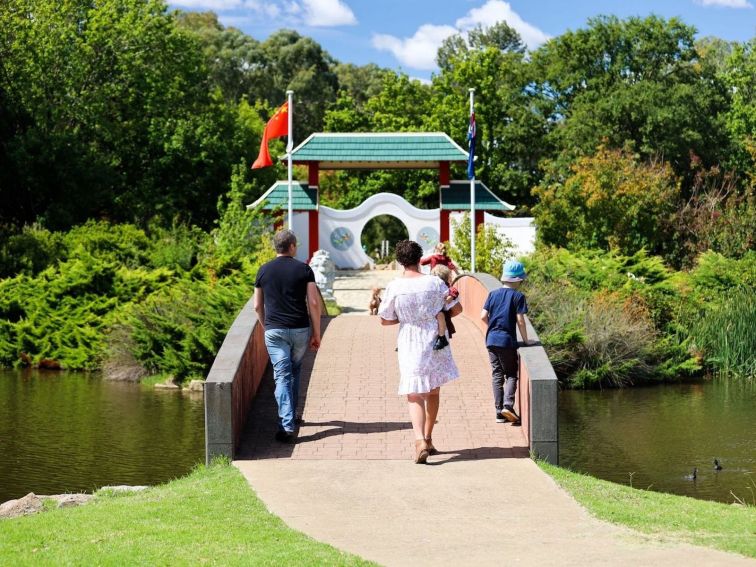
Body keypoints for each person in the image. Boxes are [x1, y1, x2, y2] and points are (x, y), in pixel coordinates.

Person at [379, 240, 463, 464]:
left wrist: (405, 318)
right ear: (419, 259)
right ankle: (429, 437)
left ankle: (419, 441)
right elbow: (456, 307)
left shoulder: (395, 287)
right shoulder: (434, 283)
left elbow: (385, 319)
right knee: (433, 391)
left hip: (410, 340)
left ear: (399, 261)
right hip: (435, 338)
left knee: (414, 392)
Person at [254, 229, 322, 444]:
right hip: (300, 329)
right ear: (292, 246)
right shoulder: (304, 269)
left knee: (282, 375)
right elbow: (313, 303)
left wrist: (267, 327)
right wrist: (317, 333)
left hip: (275, 330)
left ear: (276, 247)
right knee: (294, 370)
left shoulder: (263, 271)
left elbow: (257, 305)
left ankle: (286, 424)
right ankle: (290, 417)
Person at [480, 260, 533, 424]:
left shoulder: (493, 294)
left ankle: (498, 413)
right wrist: (526, 340)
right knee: (511, 373)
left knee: (497, 374)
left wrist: (493, 328)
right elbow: (521, 321)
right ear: (517, 280)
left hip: (491, 340)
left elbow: (482, 316)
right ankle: (508, 406)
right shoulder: (518, 296)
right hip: (507, 341)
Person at [430, 264, 459, 350]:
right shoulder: (432, 287)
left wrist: (451, 296)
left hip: (440, 316)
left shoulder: (446, 287)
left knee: (440, 315)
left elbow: (454, 290)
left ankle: (442, 338)